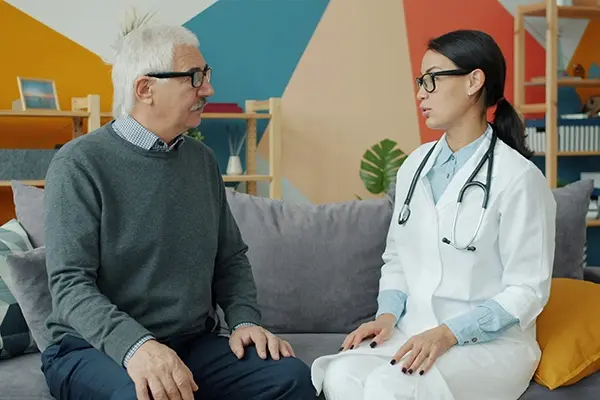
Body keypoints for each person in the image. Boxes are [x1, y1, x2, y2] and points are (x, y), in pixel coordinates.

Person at [41, 23, 314, 400]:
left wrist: (244, 321)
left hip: (190, 343)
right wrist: (137, 347)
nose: (208, 89)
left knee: (292, 378)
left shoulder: (201, 161)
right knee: (150, 395)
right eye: (194, 77)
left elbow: (230, 258)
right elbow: (70, 285)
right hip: (90, 348)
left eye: (206, 75)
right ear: (145, 89)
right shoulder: (79, 163)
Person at [311, 29, 557, 400]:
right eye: (420, 81)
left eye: (432, 79)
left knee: (389, 385)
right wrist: (386, 317)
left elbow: (527, 290)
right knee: (341, 375)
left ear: (474, 81)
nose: (421, 93)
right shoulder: (415, 165)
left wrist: (449, 333)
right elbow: (397, 257)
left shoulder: (519, 178)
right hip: (415, 330)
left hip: (489, 346)